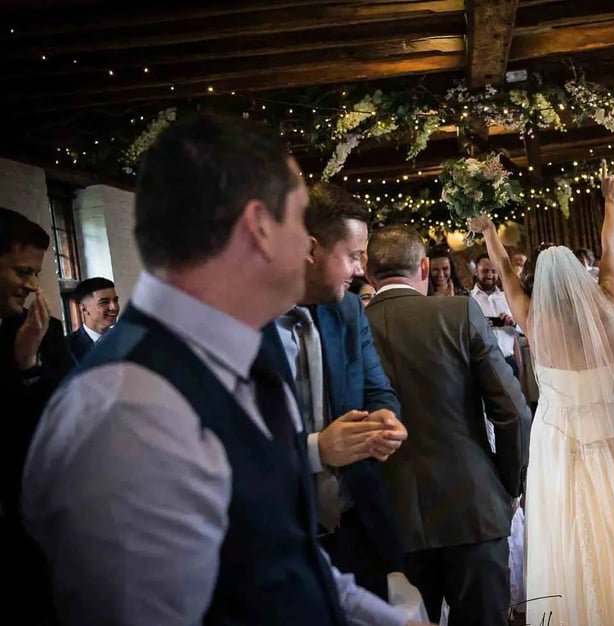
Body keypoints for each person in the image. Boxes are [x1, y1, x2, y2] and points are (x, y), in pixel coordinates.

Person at [22, 114, 428, 626]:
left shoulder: (245, 351)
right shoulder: (125, 405)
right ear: (258, 229)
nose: (309, 246)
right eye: (300, 222)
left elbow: (280, 552)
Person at [468, 161, 614, 625]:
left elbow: (502, 269)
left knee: (566, 529)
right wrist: (611, 201)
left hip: (557, 442)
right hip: (607, 439)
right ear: (582, 279)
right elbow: (610, 249)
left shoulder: (534, 321)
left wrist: (490, 231)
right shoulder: (608, 305)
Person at [364, 225, 530, 626]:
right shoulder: (457, 312)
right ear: (424, 266)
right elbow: (512, 410)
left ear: (369, 274)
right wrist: (508, 484)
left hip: (387, 517)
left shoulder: (351, 326)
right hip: (472, 505)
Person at [269, 182, 410, 601]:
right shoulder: (245, 321)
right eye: (352, 256)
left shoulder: (349, 309)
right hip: (281, 531)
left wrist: (386, 420)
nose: (361, 270)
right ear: (311, 248)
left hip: (355, 524)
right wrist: (316, 449)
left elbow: (377, 389)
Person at [0, 207, 73, 623]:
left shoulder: (47, 332)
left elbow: (65, 417)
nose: (31, 287)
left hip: (30, 526)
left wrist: (27, 366)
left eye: (35, 274)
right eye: (21, 272)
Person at [66, 276, 120, 363]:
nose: (114, 307)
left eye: (115, 300)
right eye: (104, 302)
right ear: (84, 309)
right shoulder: (66, 348)